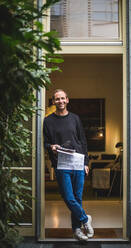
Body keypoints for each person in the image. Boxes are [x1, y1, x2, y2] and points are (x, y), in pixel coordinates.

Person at [43, 89, 94, 241]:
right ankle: (85, 219)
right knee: (68, 196)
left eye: (63, 98)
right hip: (61, 164)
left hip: (78, 162)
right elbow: (45, 142)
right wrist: (50, 146)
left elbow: (83, 141)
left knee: (77, 198)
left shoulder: (75, 119)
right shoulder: (48, 121)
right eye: (57, 99)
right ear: (53, 101)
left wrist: (86, 162)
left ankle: (77, 230)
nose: (60, 101)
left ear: (67, 100)